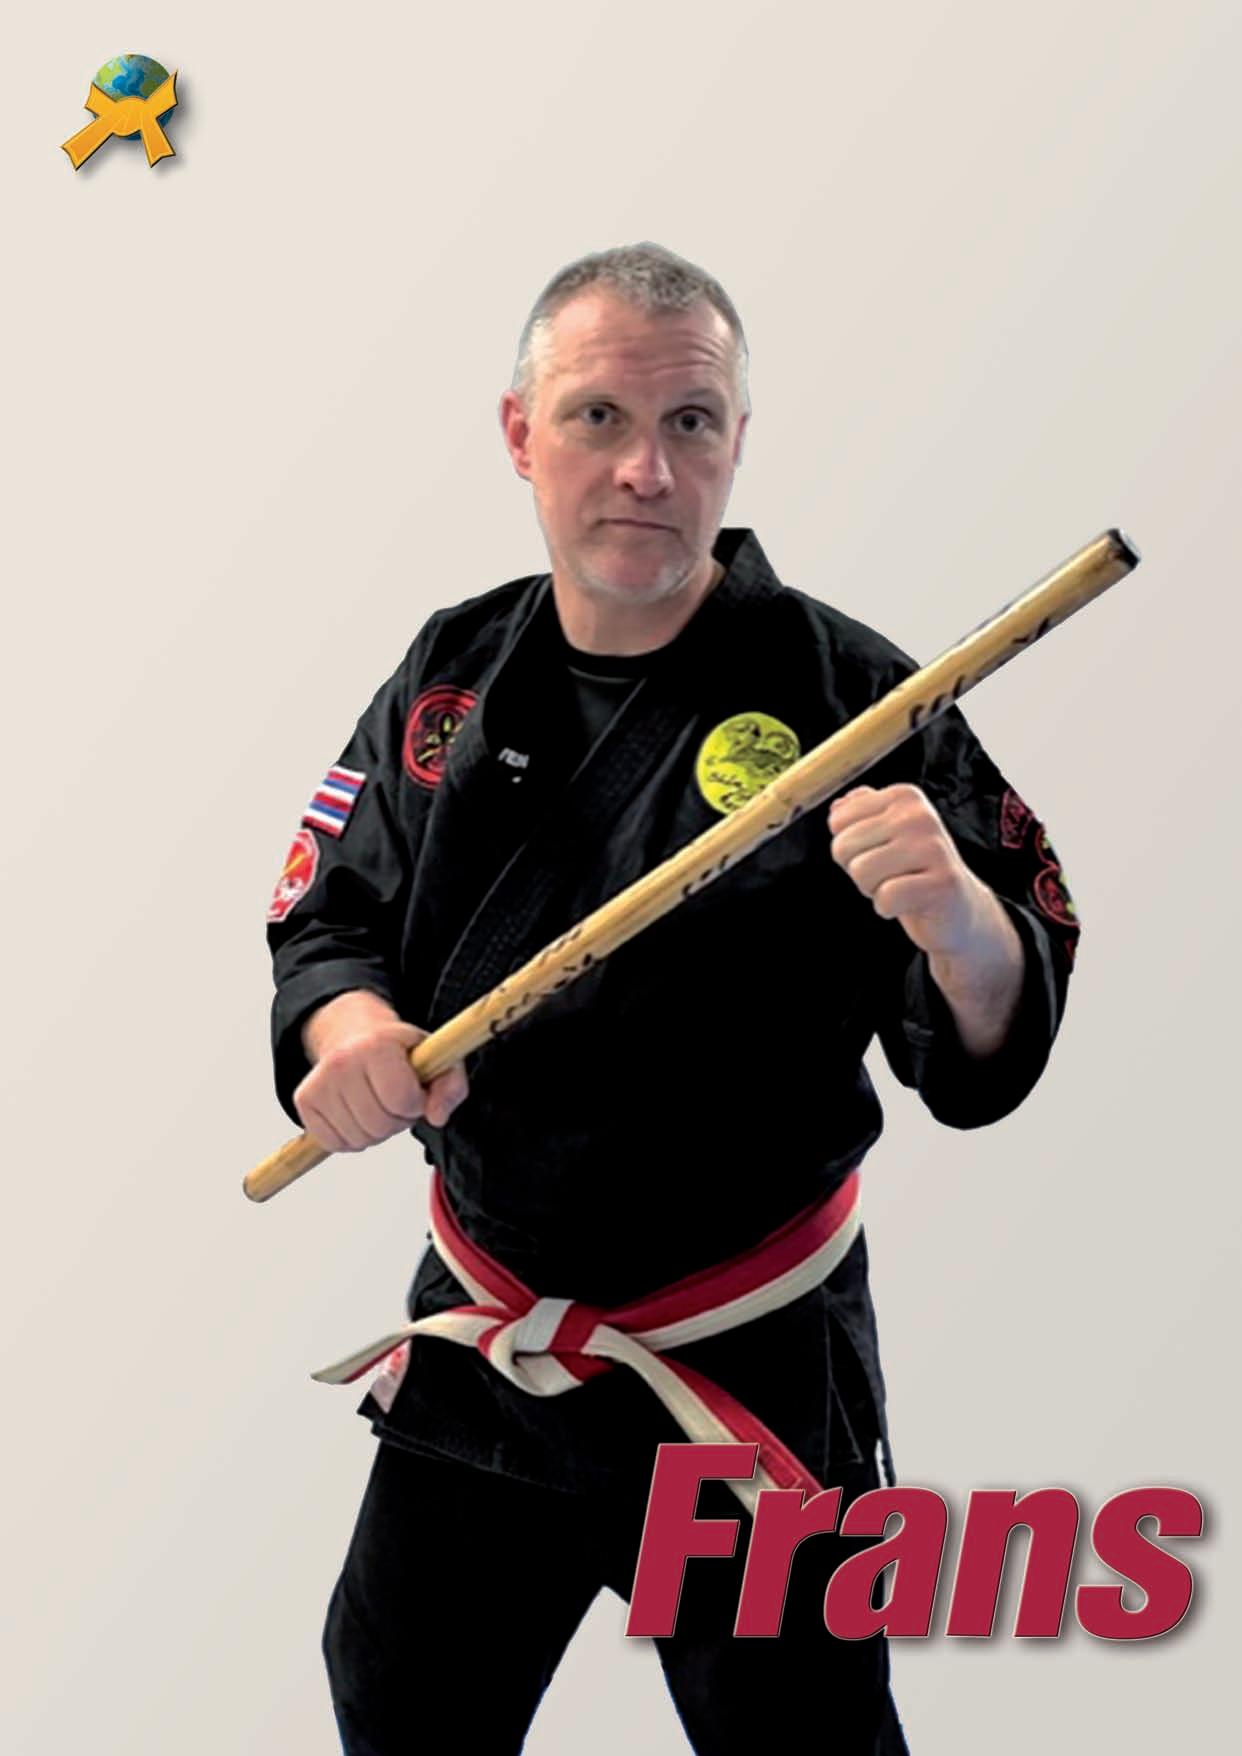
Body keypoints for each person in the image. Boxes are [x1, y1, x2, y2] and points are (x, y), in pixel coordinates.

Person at [265, 242, 1080, 1754]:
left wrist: (962, 928)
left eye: (689, 423)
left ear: (736, 441)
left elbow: (985, 1038)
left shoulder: (853, 699)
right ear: (521, 434)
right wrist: (350, 1029)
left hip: (745, 1353)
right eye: (598, 419)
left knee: (801, 1736)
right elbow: (330, 915)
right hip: (497, 1329)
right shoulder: (452, 674)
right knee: (396, 1696)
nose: (645, 469)